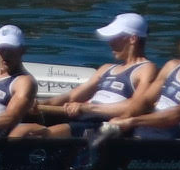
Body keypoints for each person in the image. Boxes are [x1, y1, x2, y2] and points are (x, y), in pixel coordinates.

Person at [16, 12, 159, 139]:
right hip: (84, 118)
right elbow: (73, 96)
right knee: (20, 117)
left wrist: (87, 108)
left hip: (106, 126)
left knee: (27, 133)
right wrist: (41, 104)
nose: (110, 42)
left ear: (132, 39)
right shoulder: (106, 68)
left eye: (115, 37)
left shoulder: (146, 69)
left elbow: (136, 107)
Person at [100, 26, 180, 140]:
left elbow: (178, 114)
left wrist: (131, 121)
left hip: (176, 142)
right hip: (146, 130)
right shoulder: (171, 66)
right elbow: (146, 101)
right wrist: (123, 118)